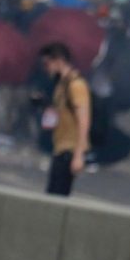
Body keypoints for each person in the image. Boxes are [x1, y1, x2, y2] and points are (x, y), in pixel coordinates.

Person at [39, 42, 90, 196]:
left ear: (59, 60)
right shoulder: (61, 85)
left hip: (69, 149)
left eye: (47, 63)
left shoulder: (76, 85)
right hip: (60, 146)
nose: (46, 68)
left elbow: (83, 120)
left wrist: (79, 155)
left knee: (58, 194)